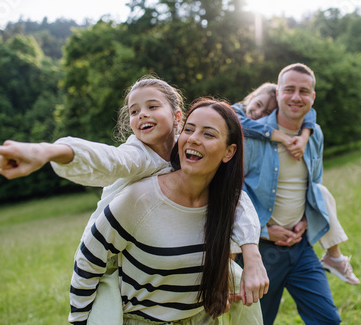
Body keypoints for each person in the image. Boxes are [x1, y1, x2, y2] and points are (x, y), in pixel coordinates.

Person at [0, 77, 268, 324]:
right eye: (134, 111)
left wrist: (251, 255)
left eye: (152, 106)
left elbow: (234, 200)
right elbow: (107, 160)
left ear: (177, 116)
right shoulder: (138, 155)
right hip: (116, 264)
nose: (142, 115)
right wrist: (49, 152)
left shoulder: (189, 149)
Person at [69, 98, 261, 324]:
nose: (194, 139)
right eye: (189, 130)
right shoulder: (139, 198)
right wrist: (79, 320)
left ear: (229, 152)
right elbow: (88, 261)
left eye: (208, 134)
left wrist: (248, 261)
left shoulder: (226, 205)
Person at [239, 63, 343, 325]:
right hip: (261, 252)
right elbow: (234, 193)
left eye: (304, 91)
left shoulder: (314, 134)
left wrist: (306, 221)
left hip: (301, 247)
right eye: (289, 90)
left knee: (328, 320)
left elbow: (315, 183)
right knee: (258, 322)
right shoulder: (252, 135)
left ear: (313, 97)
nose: (297, 97)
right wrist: (264, 230)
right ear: (278, 94)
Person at [233, 83, 359, 286]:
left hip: (298, 243)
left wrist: (305, 134)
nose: (257, 113)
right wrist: (280, 136)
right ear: (250, 97)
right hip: (257, 241)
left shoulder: (311, 133)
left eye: (266, 111)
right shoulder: (236, 115)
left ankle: (334, 255)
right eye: (257, 105)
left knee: (321, 191)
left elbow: (309, 112)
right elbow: (240, 123)